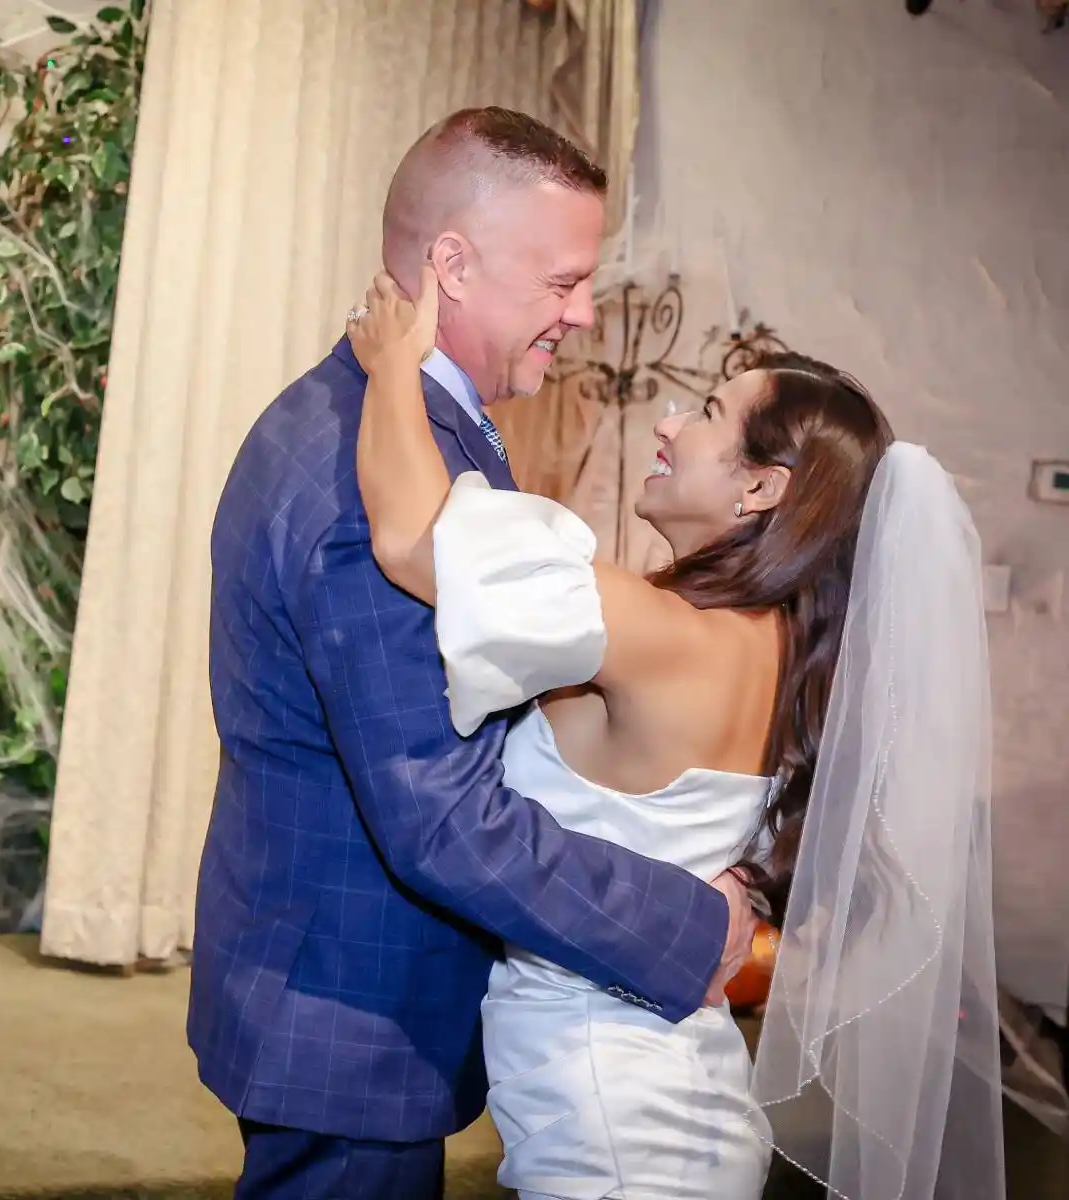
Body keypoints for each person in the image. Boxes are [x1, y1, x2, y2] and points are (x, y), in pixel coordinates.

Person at [191, 108, 759, 1200]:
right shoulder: (357, 479)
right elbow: (439, 819)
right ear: (451, 264)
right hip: (348, 1010)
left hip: (325, 966)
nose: (583, 315)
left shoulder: (391, 422)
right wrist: (688, 925)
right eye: (560, 283)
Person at [345, 262, 1005, 1199]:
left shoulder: (666, 635)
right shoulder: (792, 655)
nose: (665, 422)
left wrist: (392, 366)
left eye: (703, 413)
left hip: (612, 1121)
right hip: (678, 1086)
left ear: (762, 489)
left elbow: (410, 539)